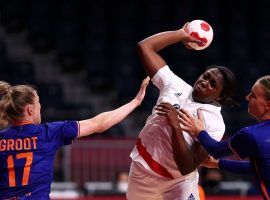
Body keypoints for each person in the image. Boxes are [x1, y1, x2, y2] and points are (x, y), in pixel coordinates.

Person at [127, 22, 238, 200]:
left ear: (220, 96)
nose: (204, 82)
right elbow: (145, 47)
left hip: (179, 182)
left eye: (212, 84)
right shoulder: (174, 84)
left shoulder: (214, 122)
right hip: (142, 171)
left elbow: (188, 166)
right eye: (205, 76)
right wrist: (180, 34)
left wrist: (175, 127)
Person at [0, 77, 149, 199]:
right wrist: (135, 102)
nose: (41, 108)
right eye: (38, 103)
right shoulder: (48, 133)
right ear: (30, 110)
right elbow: (99, 124)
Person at [177, 75, 270, 199]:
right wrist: (217, 164)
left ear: (268, 105)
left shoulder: (252, 135)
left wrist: (200, 131)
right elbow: (258, 168)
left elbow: (216, 150)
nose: (247, 97)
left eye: (253, 96)